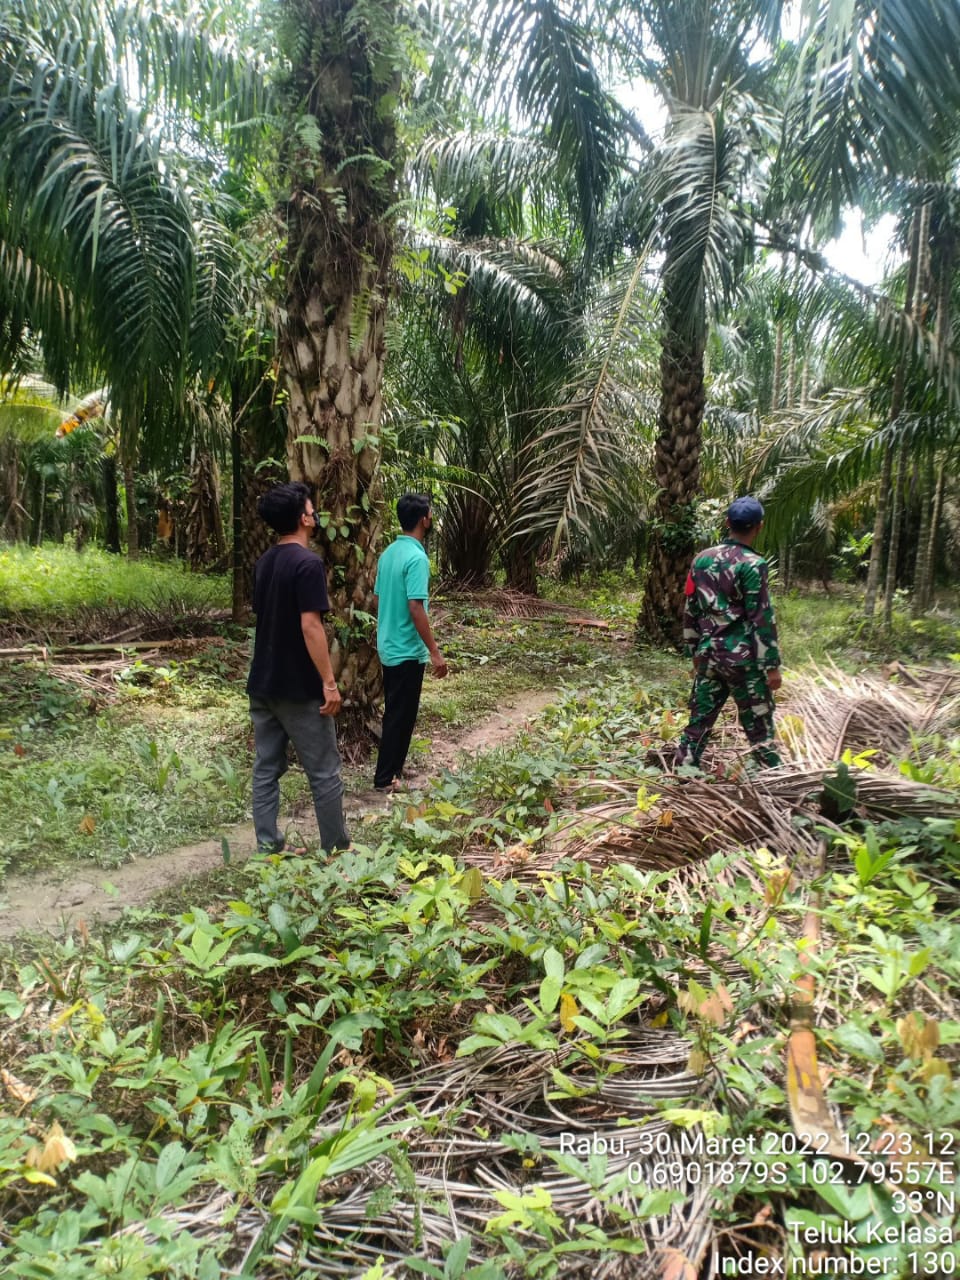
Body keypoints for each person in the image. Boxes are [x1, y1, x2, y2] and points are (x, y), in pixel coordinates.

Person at [246, 481, 350, 853]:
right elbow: (310, 625)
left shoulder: (264, 562)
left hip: (263, 682)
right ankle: (336, 849)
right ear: (304, 518)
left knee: (266, 769)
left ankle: (268, 845)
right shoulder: (307, 563)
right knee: (324, 771)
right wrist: (329, 682)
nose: (315, 512)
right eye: (311, 508)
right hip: (299, 686)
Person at [674, 495, 783, 771]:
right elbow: (761, 617)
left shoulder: (701, 560)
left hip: (709, 657)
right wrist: (771, 666)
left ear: (727, 523)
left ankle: (683, 774)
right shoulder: (753, 564)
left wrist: (693, 650)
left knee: (698, 725)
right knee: (760, 729)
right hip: (743, 662)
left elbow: (691, 608)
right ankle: (774, 782)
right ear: (759, 526)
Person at [373, 493, 448, 790]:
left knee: (397, 711)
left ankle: (394, 774)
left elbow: (378, 598)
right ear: (423, 519)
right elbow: (416, 607)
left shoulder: (388, 553)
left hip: (389, 645)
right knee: (400, 716)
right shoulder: (417, 558)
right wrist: (434, 651)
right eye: (430, 513)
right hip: (406, 649)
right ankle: (384, 778)